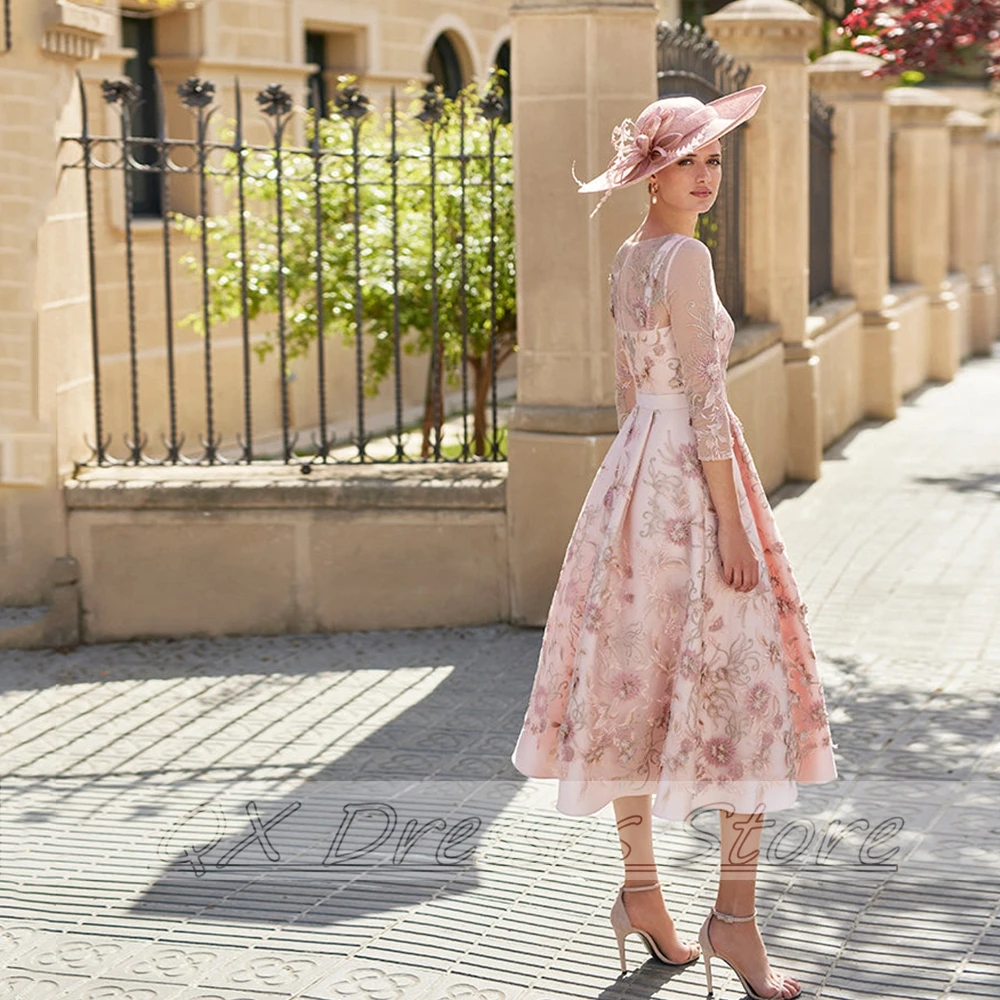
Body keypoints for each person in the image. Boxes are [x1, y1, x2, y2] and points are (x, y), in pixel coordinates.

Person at [510, 85, 839, 1000]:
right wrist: (734, 524)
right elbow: (704, 403)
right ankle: (731, 921)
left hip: (633, 482)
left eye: (715, 160)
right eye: (687, 160)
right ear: (652, 170)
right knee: (742, 689)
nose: (705, 176)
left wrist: (623, 495)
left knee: (634, 683)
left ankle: (643, 895)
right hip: (691, 484)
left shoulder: (630, 255)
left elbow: (630, 395)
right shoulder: (683, 262)